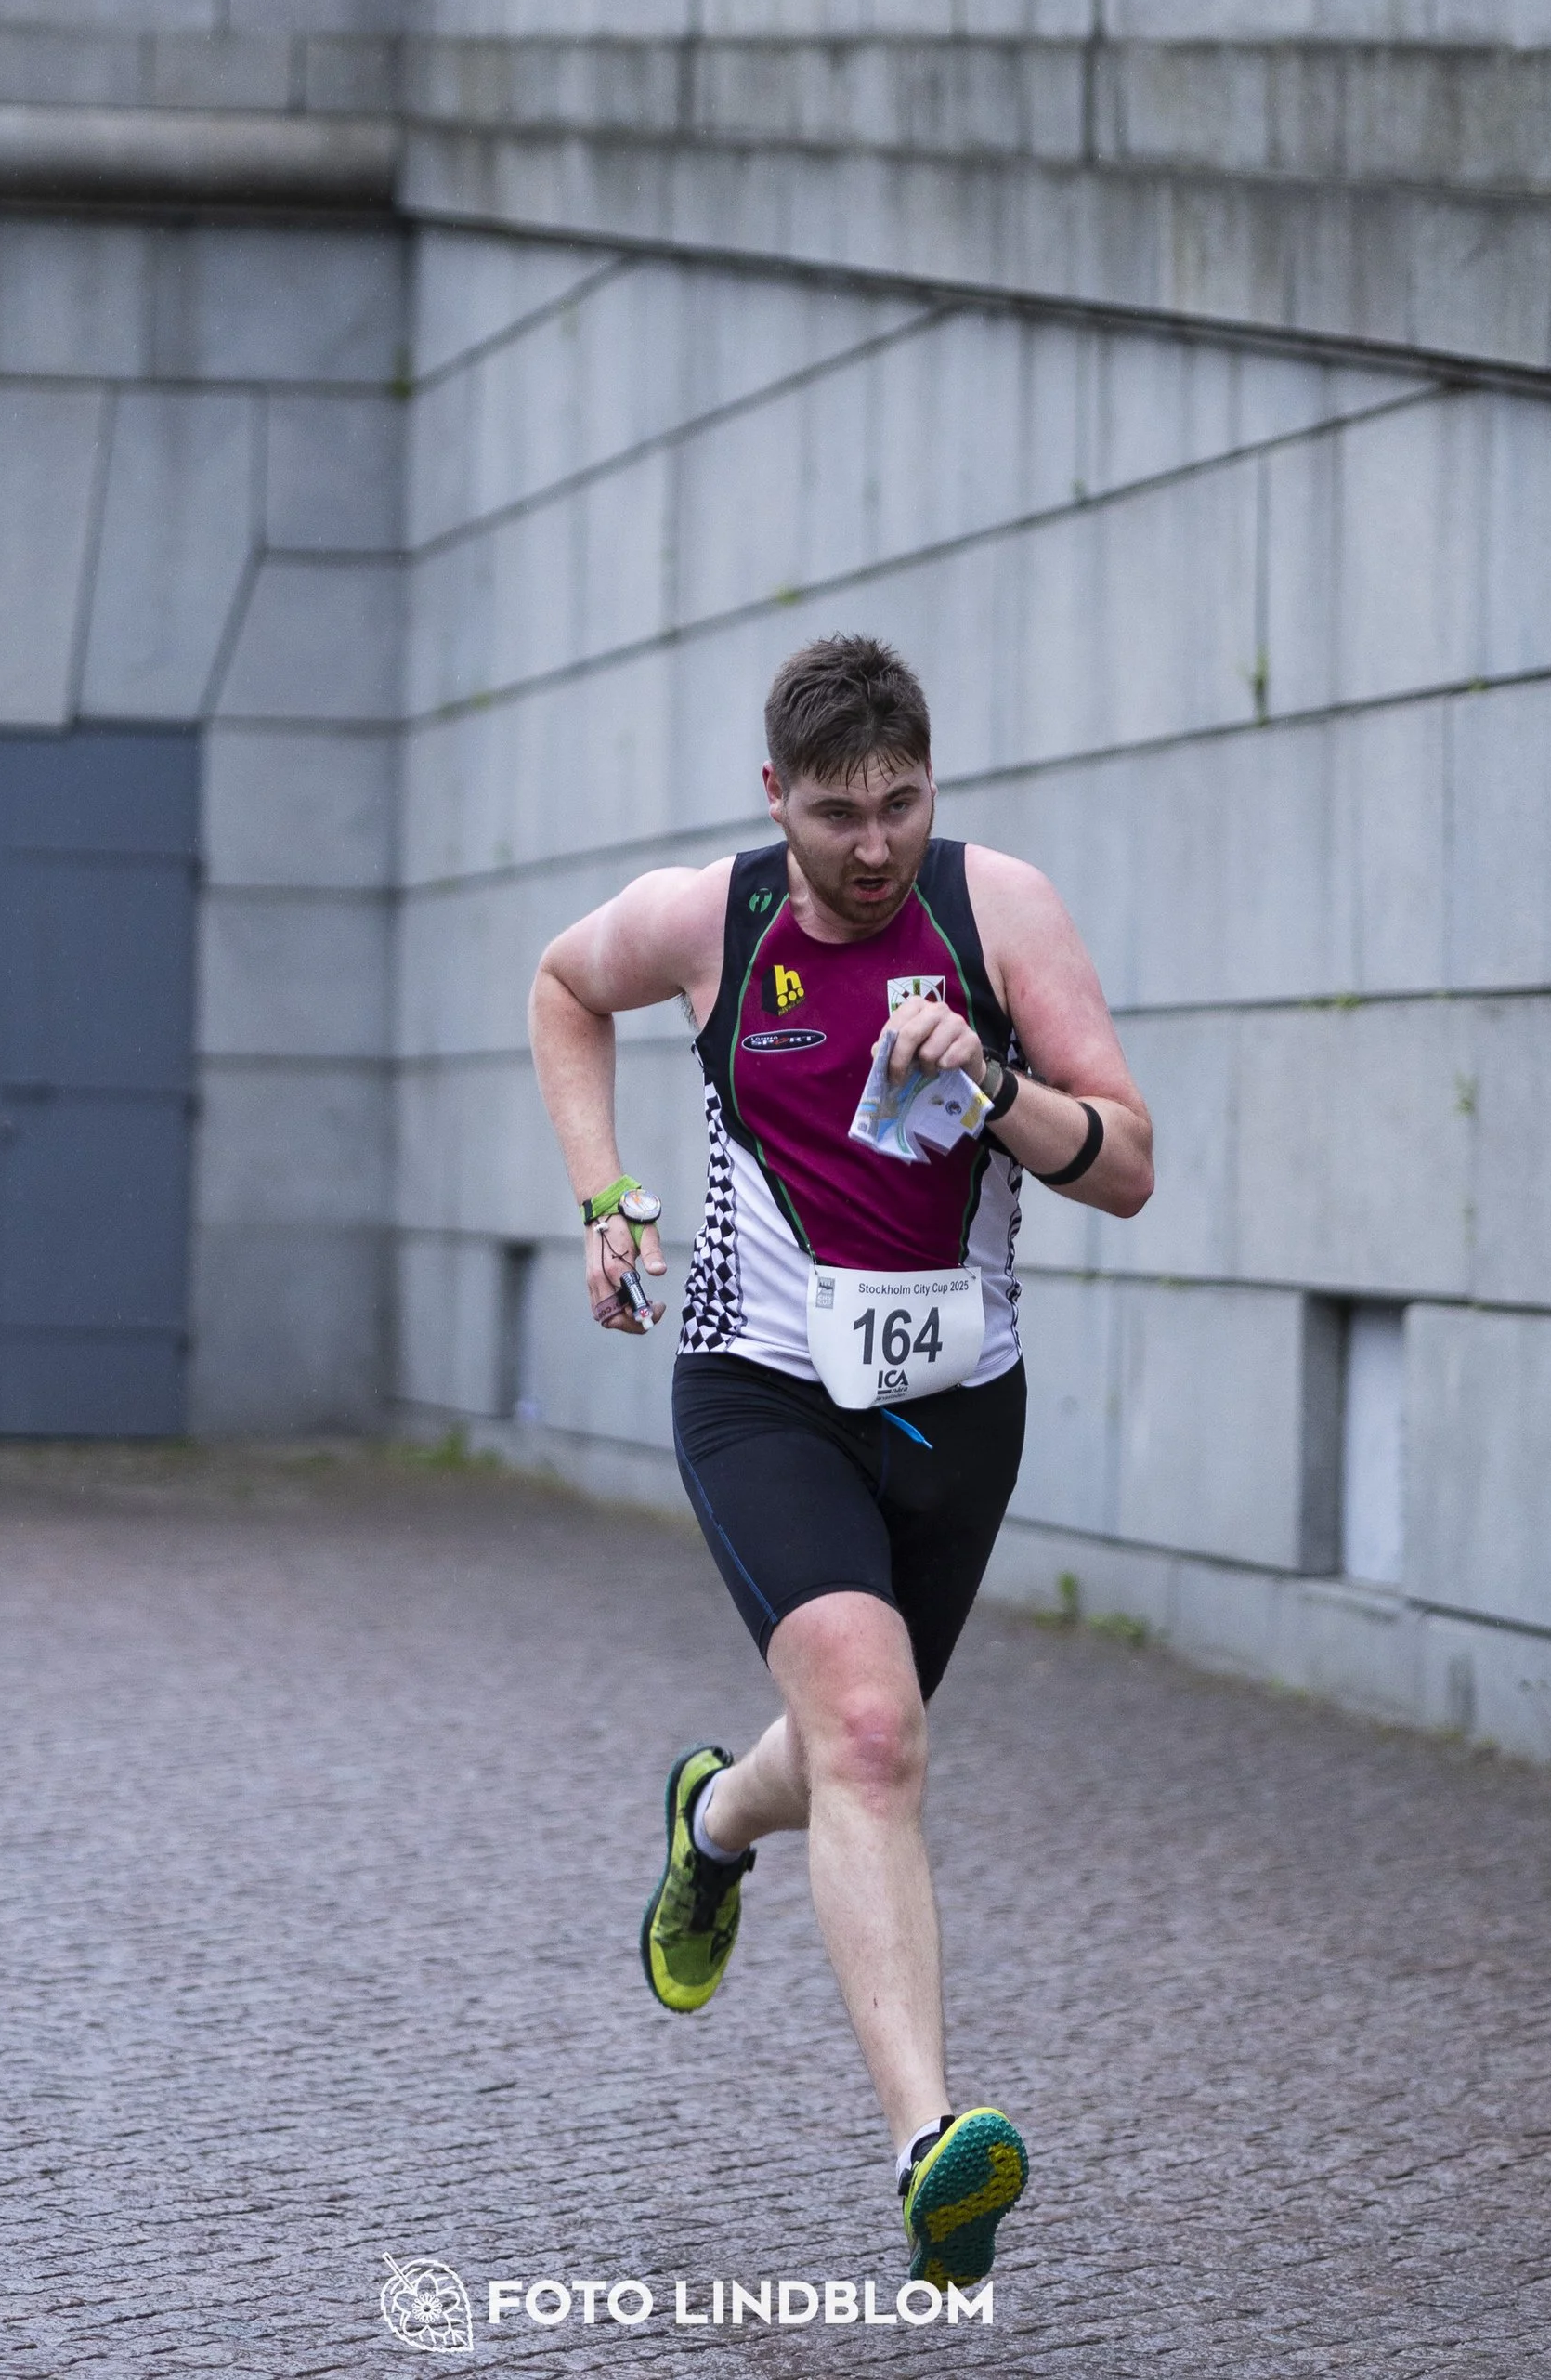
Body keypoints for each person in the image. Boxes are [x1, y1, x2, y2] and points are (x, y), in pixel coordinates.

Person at [528, 634, 1153, 2289]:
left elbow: (1130, 1162)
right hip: (763, 1390)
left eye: (901, 804)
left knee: (844, 1751)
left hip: (960, 1408)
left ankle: (714, 1827)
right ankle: (932, 2152)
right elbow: (559, 986)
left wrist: (996, 1084)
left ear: (931, 785)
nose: (872, 846)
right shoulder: (707, 921)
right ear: (774, 801)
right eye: (835, 813)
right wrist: (605, 1200)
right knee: (873, 1735)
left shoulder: (998, 911)